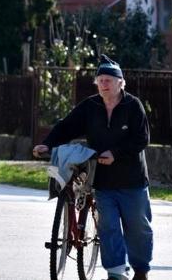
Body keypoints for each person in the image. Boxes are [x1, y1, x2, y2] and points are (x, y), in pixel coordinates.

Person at [33, 55, 153, 280]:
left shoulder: (133, 105)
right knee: (108, 227)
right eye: (100, 80)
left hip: (132, 181)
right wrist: (47, 143)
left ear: (120, 83)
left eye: (109, 80)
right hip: (103, 180)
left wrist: (115, 153)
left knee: (138, 229)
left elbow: (142, 139)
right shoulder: (90, 106)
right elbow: (66, 126)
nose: (104, 84)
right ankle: (116, 273)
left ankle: (141, 270)